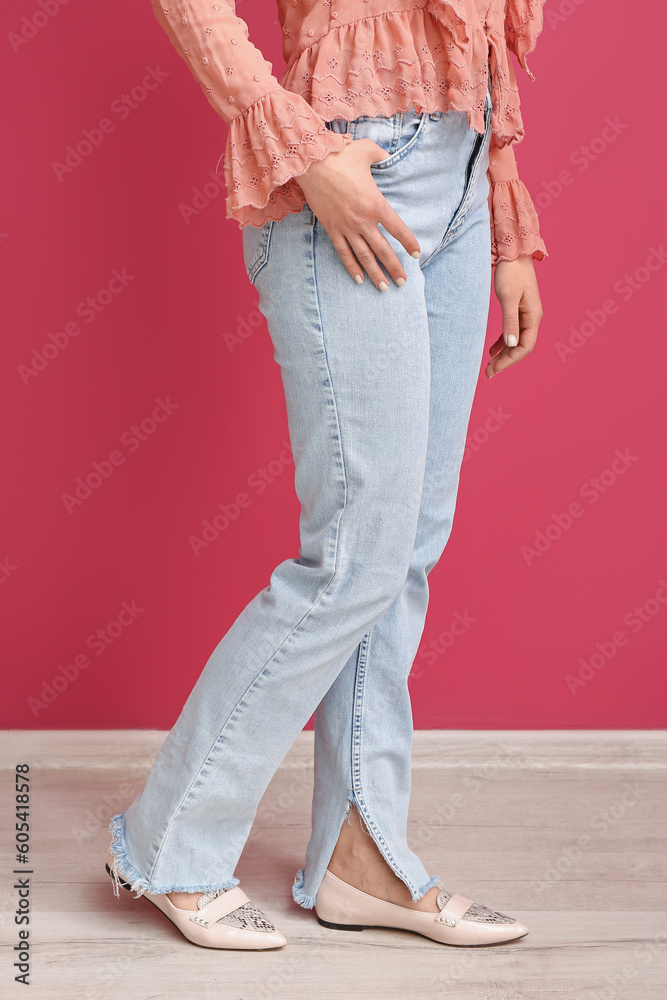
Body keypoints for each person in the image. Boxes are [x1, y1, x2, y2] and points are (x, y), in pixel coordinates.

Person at [106, 0, 546, 950]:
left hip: (463, 172)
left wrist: (505, 218)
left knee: (406, 551)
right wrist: (302, 150)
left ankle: (361, 856)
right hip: (349, 165)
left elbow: (476, 33)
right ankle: (168, 841)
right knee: (354, 559)